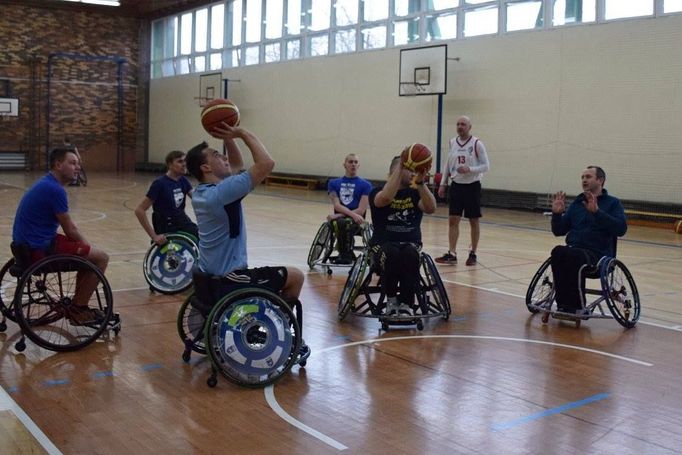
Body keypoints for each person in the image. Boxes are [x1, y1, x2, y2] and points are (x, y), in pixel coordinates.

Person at [185, 122, 309, 359]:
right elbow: (266, 163)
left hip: (210, 279)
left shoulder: (204, 192)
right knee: (296, 276)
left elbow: (237, 164)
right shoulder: (222, 193)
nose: (224, 158)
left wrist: (228, 137)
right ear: (205, 166)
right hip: (230, 279)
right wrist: (241, 133)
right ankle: (280, 332)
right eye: (216, 155)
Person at [12, 148, 110, 324]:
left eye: (78, 163)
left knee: (87, 254)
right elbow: (70, 229)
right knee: (101, 258)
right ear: (58, 164)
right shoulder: (55, 190)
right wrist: (87, 247)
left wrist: (85, 249)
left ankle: (78, 304)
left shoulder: (45, 183)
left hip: (27, 245)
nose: (77, 167)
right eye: (73, 163)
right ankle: (78, 310)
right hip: (40, 249)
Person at [549, 166, 627, 313]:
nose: (584, 180)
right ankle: (563, 305)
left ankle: (576, 307)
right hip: (575, 250)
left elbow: (621, 229)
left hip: (598, 255)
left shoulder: (613, 203)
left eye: (588, 177)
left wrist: (597, 213)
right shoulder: (577, 203)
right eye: (582, 177)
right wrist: (557, 215)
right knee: (558, 251)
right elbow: (559, 231)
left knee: (574, 256)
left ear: (600, 180)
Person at [369, 155, 437, 316]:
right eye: (409, 170)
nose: (413, 173)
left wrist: (420, 182)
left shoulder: (414, 193)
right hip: (382, 245)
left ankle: (406, 303)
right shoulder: (377, 192)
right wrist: (400, 168)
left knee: (409, 253)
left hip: (410, 244)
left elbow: (431, 208)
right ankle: (391, 301)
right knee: (392, 252)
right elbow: (384, 199)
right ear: (395, 171)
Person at [436, 115, 490, 266]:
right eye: (458, 124)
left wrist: (470, 169)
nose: (460, 126)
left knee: (474, 220)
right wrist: (443, 182)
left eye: (463, 124)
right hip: (456, 186)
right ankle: (452, 253)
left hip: (472, 186)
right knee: (453, 219)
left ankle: (473, 253)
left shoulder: (477, 144)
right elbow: (448, 163)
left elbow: (486, 166)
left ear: (469, 127)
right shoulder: (452, 142)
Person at [134, 150, 198, 245]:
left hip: (182, 221)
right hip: (166, 225)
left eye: (185, 161)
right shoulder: (160, 183)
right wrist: (154, 236)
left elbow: (198, 200)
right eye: (180, 161)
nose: (184, 164)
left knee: (204, 238)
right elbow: (139, 210)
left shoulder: (183, 180)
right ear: (169, 165)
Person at [326, 153, 372, 264]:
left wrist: (339, 215)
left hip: (357, 221)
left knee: (345, 222)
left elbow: (361, 210)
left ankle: (345, 255)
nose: (353, 165)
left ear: (359, 165)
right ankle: (345, 254)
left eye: (356, 162)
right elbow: (337, 205)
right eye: (350, 162)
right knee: (342, 222)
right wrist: (349, 215)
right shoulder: (333, 183)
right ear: (344, 165)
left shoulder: (366, 185)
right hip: (340, 221)